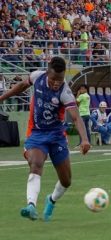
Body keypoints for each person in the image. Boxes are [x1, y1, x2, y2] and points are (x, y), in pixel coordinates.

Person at [0, 57, 90, 221]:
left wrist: (84, 139)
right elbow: (20, 87)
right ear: (47, 72)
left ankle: (51, 200)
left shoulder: (65, 92)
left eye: (60, 79)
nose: (57, 83)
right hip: (37, 134)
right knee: (36, 163)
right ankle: (31, 205)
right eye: (54, 79)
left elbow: (76, 118)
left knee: (66, 181)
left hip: (57, 137)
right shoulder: (37, 77)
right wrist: (1, 98)